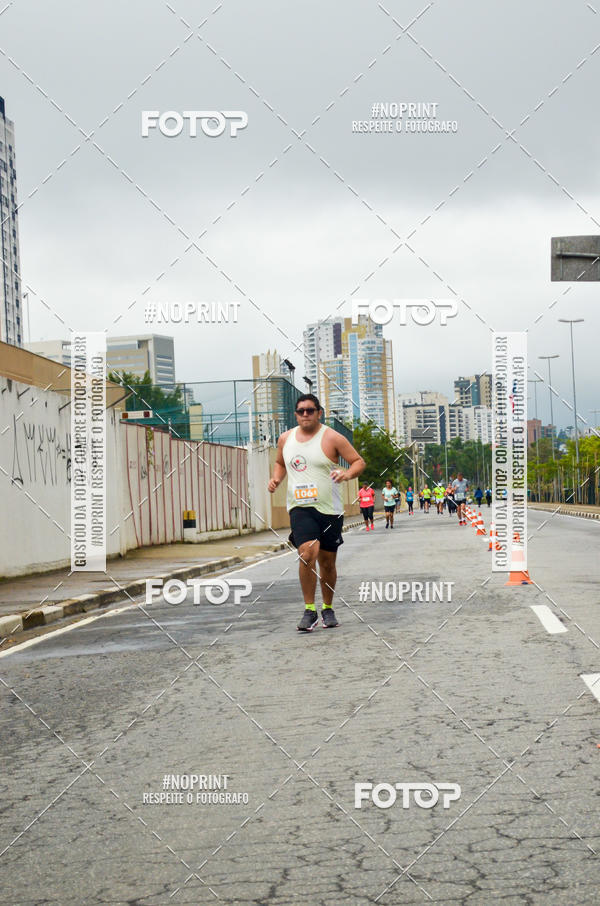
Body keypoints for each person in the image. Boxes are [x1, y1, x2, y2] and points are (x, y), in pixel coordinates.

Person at [268, 393, 365, 631]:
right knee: (307, 553)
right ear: (295, 414)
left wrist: (346, 474)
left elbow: (358, 462)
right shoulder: (285, 439)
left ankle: (328, 608)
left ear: (319, 412)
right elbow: (280, 463)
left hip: (329, 509)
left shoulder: (332, 437)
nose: (305, 415)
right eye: (300, 411)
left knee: (328, 563)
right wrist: (276, 479)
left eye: (310, 410)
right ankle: (309, 609)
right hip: (300, 508)